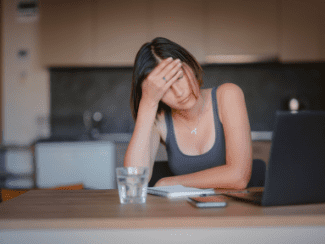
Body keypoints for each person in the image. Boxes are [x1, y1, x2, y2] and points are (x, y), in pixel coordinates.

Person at [124, 37, 252, 189]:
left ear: (190, 65)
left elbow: (239, 177)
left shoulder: (228, 95)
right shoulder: (160, 119)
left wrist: (168, 182)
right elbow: (132, 182)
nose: (179, 92)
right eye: (164, 89)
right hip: (184, 212)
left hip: (231, 211)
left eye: (178, 77)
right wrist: (148, 102)